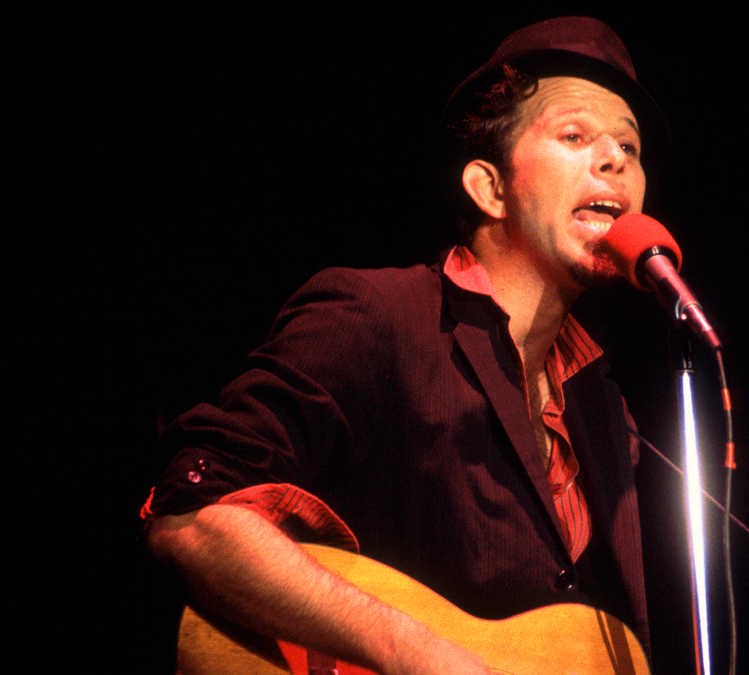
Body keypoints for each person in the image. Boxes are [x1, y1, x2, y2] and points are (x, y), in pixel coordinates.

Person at [143, 17, 667, 675]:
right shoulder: (378, 315)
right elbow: (192, 512)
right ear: (490, 187)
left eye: (630, 146)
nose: (617, 159)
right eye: (574, 135)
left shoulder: (606, 411)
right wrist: (414, 649)